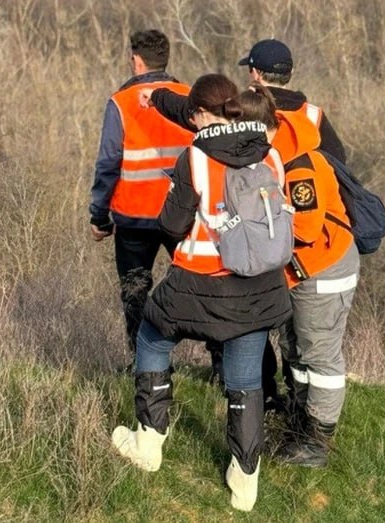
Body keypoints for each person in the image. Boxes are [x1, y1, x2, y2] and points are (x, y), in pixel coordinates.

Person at [143, 83, 359, 468]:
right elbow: (199, 111)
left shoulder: (294, 161)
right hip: (287, 272)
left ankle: (317, 439)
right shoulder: (264, 152)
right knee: (293, 349)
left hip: (321, 266)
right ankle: (292, 426)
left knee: (318, 353)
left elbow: (306, 230)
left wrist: (255, 229)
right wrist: (158, 98)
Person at [110, 74, 291, 512]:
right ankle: (244, 480)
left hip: (199, 280)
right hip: (259, 285)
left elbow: (171, 225)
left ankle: (149, 442)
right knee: (245, 382)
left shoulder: (195, 157)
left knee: (152, 338)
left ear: (201, 115)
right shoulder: (271, 153)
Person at [88, 30, 192, 369]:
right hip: (184, 214)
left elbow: (108, 163)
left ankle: (144, 364)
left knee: (135, 291)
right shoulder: (190, 97)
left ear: (136, 60)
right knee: (200, 286)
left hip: (134, 214)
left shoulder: (121, 102)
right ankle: (221, 364)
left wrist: (99, 215)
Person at [238, 38, 347, 164]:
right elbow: (338, 161)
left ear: (256, 73)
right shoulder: (313, 115)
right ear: (291, 72)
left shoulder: (244, 110)